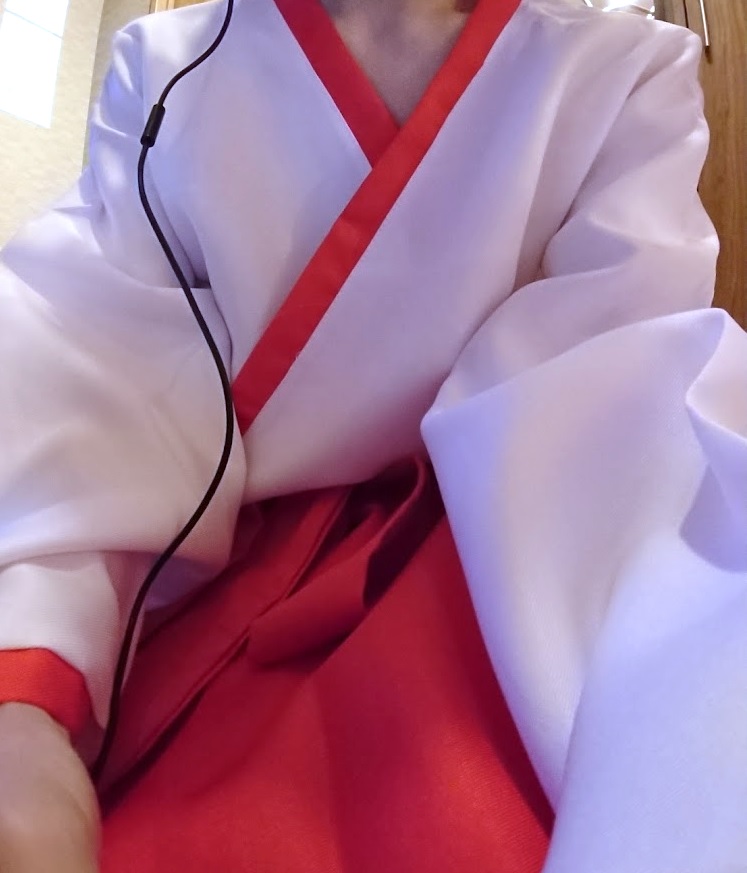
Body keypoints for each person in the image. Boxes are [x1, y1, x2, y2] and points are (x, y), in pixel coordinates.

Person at [0, 0, 745, 869]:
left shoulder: (622, 70)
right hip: (195, 555)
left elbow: (615, 407)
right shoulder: (165, 62)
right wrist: (27, 720)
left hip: (487, 570)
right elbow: (86, 364)